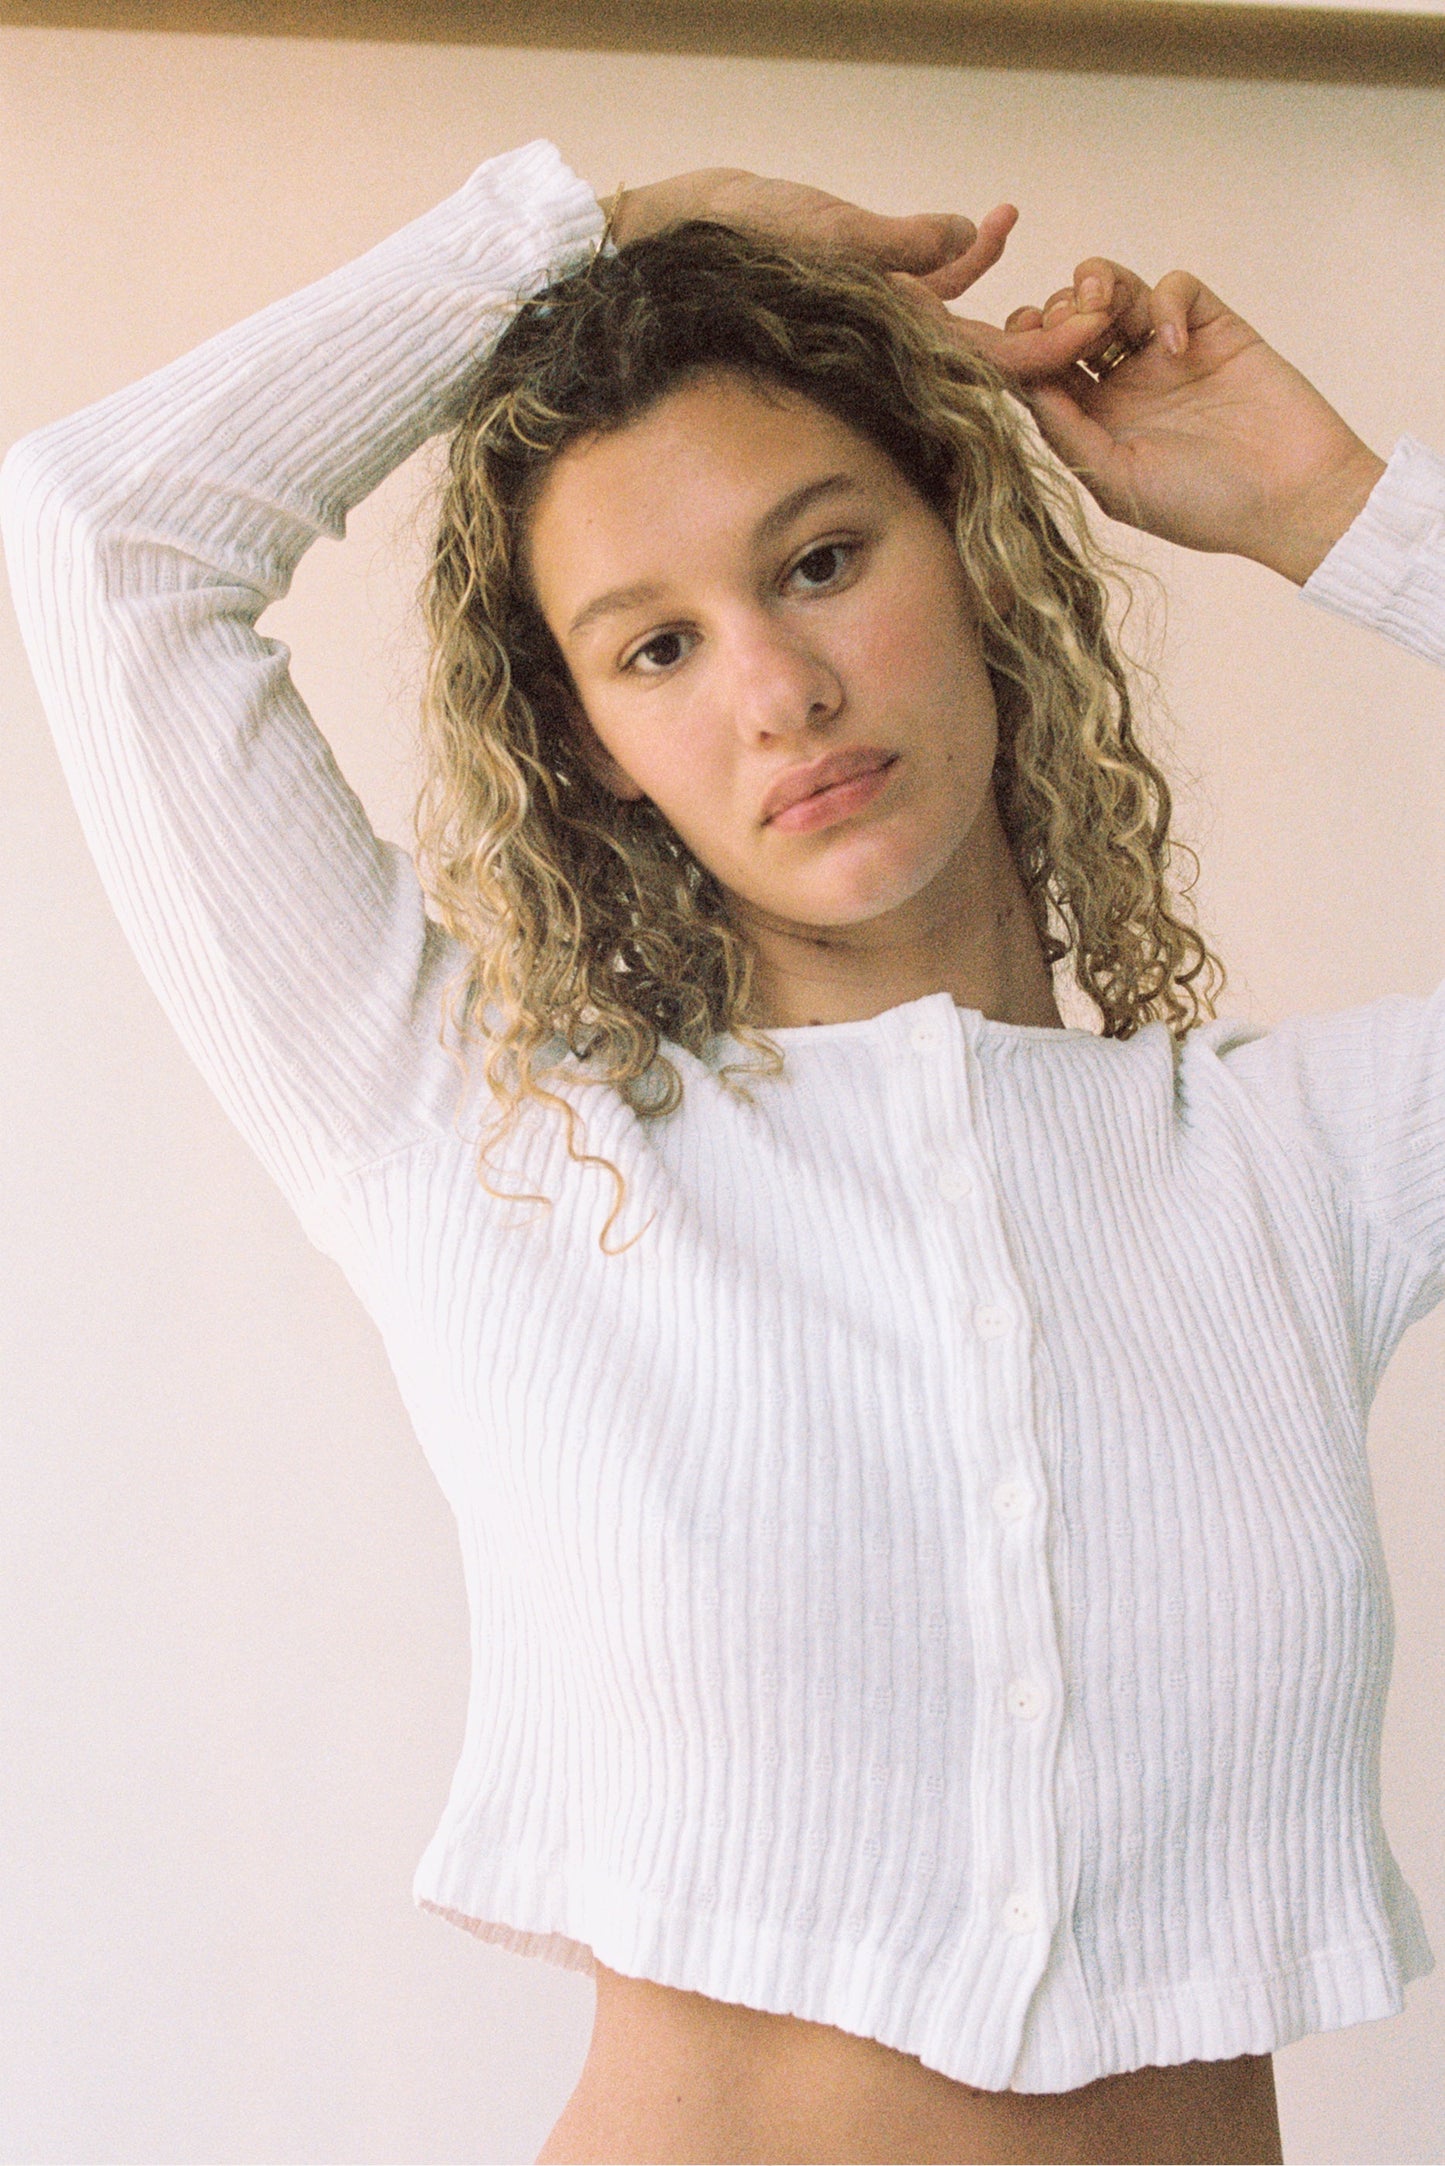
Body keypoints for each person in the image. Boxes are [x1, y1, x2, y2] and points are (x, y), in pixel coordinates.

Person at [3, 141, 1439, 2166]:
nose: (779, 692)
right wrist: (591, 229)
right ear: (586, 735)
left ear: (973, 544)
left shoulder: (1309, 1162)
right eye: (654, 646)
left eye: (823, 560)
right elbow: (106, 533)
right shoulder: (481, 1136)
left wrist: (1336, 513)